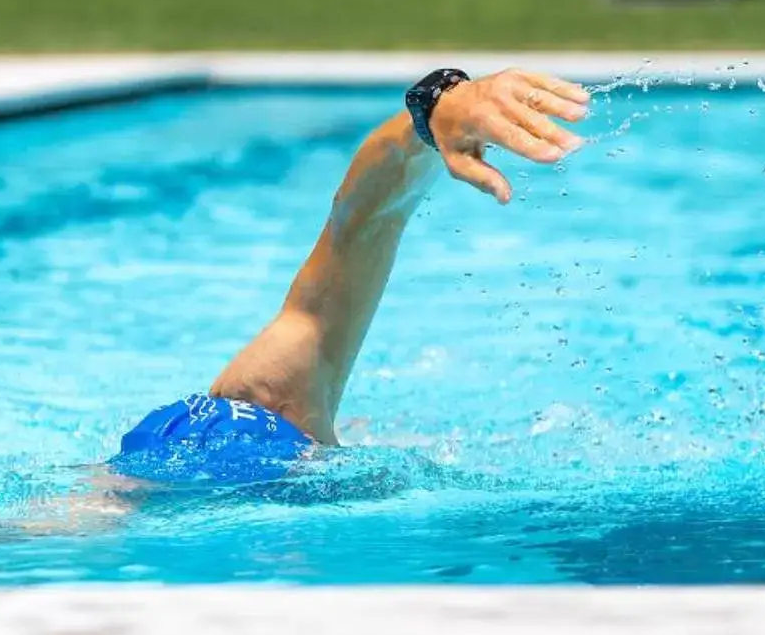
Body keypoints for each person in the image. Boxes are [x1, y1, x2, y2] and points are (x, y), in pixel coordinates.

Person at [110, 67, 591, 484]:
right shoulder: (278, 398)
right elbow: (360, 223)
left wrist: (432, 109)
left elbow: (362, 222)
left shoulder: (272, 389)